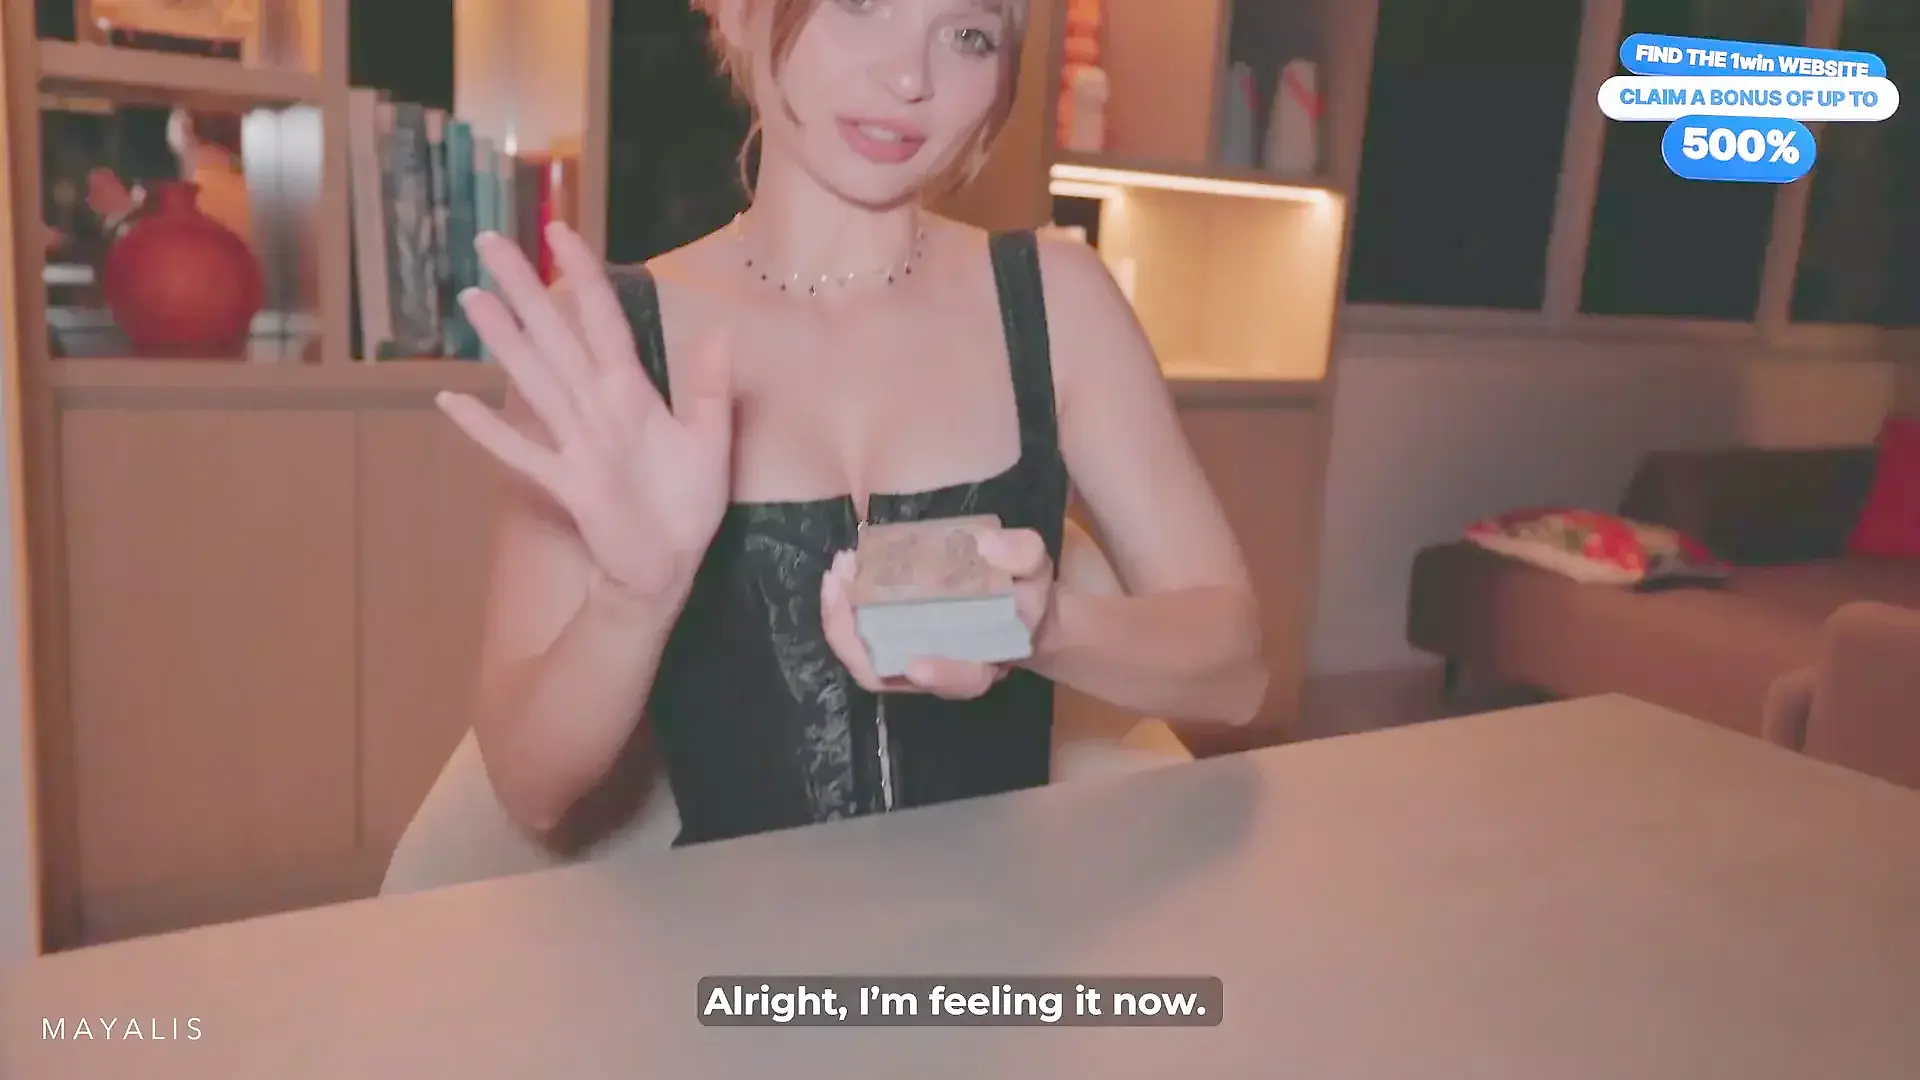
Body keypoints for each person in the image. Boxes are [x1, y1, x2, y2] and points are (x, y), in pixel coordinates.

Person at [433, 0, 1268, 848]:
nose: (910, 77)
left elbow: (1237, 674)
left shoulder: (1058, 303)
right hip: (735, 926)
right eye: (862, 3)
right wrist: (631, 603)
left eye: (969, 35)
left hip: (1003, 921)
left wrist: (1045, 625)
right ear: (738, 14)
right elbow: (529, 788)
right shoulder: (606, 342)